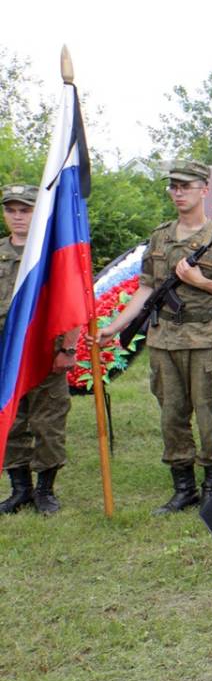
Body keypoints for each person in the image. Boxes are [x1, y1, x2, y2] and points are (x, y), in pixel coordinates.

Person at [98, 159, 212, 514]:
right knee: (172, 414)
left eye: (186, 186)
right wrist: (116, 326)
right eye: (173, 186)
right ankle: (183, 488)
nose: (178, 192)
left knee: (211, 413)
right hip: (164, 340)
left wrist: (202, 283)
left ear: (205, 190)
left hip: (208, 340)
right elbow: (146, 289)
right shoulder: (160, 236)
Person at [0, 184, 74, 515]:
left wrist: (67, 349)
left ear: (37, 212)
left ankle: (46, 490)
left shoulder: (52, 253)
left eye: (25, 210)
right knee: (12, 420)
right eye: (11, 209)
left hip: (45, 352)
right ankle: (20, 489)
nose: (17, 216)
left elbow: (70, 304)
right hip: (6, 355)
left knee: (48, 422)